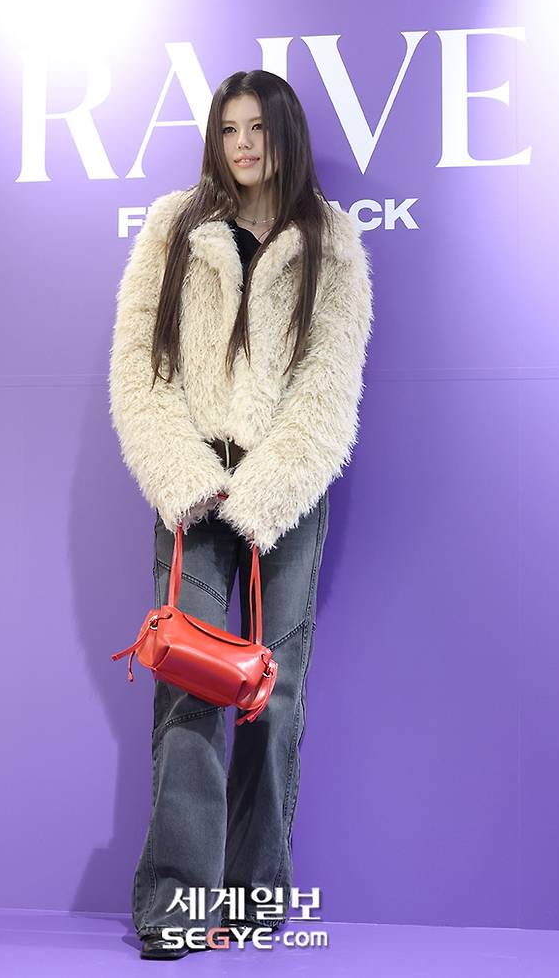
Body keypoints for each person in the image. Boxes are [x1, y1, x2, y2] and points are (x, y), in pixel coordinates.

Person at [108, 69, 374, 960]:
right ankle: (178, 901)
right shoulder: (173, 227)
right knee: (190, 684)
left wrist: (265, 492)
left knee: (275, 695)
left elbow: (329, 385)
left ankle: (257, 899)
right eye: (229, 129)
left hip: (286, 495)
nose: (243, 145)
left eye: (258, 128)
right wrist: (189, 479)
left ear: (285, 134)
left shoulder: (330, 240)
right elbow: (141, 371)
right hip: (191, 486)